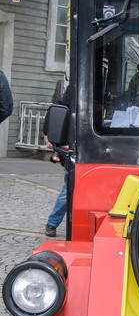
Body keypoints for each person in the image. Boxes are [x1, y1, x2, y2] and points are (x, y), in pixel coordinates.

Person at [44, 86, 70, 238]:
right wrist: (49, 134)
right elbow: (55, 109)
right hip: (75, 149)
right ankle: (52, 223)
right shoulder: (69, 100)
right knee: (69, 189)